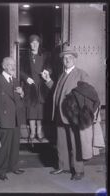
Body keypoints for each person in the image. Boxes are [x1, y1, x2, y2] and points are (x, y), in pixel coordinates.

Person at [41, 45, 95, 180]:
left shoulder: (81, 74)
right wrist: (48, 80)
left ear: (75, 59)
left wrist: (81, 114)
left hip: (73, 117)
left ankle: (79, 171)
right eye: (65, 58)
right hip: (60, 115)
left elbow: (89, 95)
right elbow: (57, 91)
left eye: (70, 57)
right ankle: (63, 167)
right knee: (62, 143)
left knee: (76, 143)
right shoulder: (62, 75)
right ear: (62, 60)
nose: (67, 60)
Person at [0, 57, 25, 181]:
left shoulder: (16, 81)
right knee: (4, 147)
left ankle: (13, 167)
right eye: (9, 65)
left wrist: (21, 94)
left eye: (14, 65)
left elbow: (18, 102)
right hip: (3, 119)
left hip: (15, 119)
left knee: (15, 145)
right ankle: (2, 170)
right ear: (3, 66)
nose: (13, 67)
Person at [20, 34, 51, 142]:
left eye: (36, 43)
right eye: (32, 42)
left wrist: (47, 71)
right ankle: (32, 133)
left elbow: (49, 67)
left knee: (40, 111)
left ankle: (39, 132)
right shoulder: (25, 56)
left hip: (41, 87)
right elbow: (19, 70)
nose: (34, 45)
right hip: (30, 87)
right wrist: (26, 78)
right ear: (29, 44)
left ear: (39, 44)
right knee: (32, 111)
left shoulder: (45, 55)